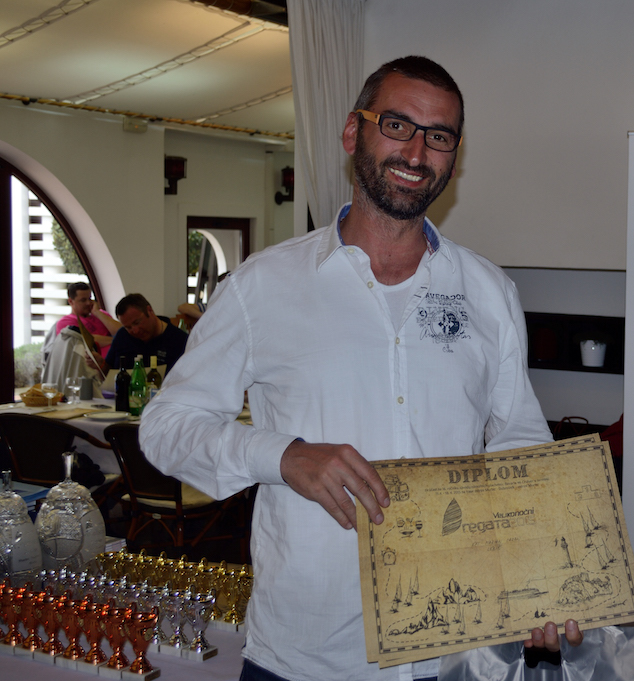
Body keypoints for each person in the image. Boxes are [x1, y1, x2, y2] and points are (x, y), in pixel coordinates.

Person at [140, 56, 581, 681]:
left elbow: (521, 445)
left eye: (439, 136)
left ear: (454, 156)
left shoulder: (489, 292)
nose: (417, 152)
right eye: (397, 125)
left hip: (453, 653)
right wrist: (283, 455)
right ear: (354, 132)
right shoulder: (262, 286)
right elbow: (166, 426)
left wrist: (543, 576)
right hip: (307, 655)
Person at [92, 293, 189, 373]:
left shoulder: (179, 340)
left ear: (149, 310)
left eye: (137, 322)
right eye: (128, 327)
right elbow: (109, 373)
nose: (135, 331)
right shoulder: (123, 336)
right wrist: (101, 364)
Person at [53, 282, 121, 359]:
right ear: (71, 301)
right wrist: (117, 339)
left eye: (89, 299)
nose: (88, 303)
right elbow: (85, 340)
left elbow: (122, 332)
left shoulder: (101, 314)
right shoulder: (66, 322)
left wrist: (97, 312)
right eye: (83, 300)